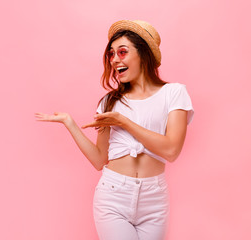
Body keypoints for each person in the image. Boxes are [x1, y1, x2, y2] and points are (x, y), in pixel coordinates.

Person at [34, 20, 194, 240]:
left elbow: (172, 150)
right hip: (113, 195)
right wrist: (69, 123)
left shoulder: (174, 93)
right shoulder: (110, 101)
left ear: (144, 54)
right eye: (111, 54)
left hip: (154, 199)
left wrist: (124, 122)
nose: (115, 59)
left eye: (122, 52)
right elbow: (100, 160)